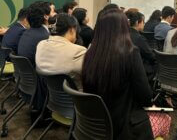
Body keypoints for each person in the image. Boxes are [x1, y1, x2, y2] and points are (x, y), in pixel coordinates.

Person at [82, 10, 154, 139]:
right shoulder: (131, 53)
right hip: (125, 127)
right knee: (165, 120)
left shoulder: (90, 53)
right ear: (123, 27)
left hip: (95, 125)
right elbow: (146, 97)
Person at [36, 13, 86, 85]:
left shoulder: (41, 45)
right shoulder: (78, 51)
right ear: (72, 29)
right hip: (75, 94)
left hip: (50, 94)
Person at [126, 10, 157, 82]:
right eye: (143, 22)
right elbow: (151, 56)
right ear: (137, 22)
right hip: (140, 71)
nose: (144, 24)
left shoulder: (123, 34)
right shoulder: (139, 38)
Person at [18, 2, 51, 66]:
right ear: (46, 16)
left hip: (24, 73)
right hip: (38, 73)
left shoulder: (26, 32)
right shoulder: (45, 37)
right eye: (52, 12)